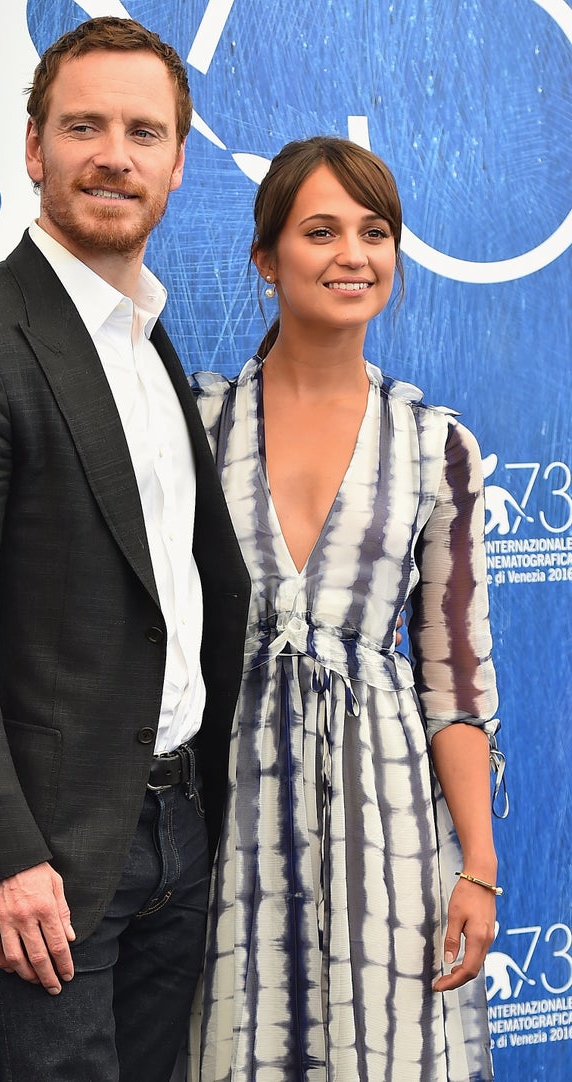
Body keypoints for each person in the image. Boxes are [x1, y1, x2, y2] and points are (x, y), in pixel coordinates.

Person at [0, 17, 249, 1082]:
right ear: (34, 147)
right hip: (52, 857)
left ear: (179, 162)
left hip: (181, 830)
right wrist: (2, 855)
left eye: (144, 131)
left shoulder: (148, 340)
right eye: (83, 125)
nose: (113, 155)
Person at [189, 137, 506, 1081]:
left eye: (375, 232)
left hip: (391, 817)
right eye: (320, 230)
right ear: (266, 257)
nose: (352, 255)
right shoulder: (195, 422)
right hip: (223, 811)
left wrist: (478, 867)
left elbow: (455, 679)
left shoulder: (436, 445)